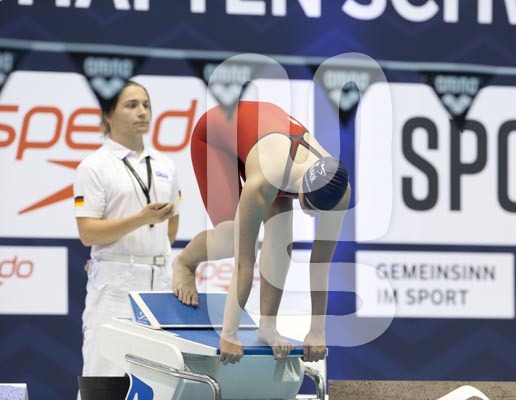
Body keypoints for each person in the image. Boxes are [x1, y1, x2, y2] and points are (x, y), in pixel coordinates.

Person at [172, 101, 350, 365]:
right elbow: (244, 263)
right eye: (309, 206)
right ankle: (184, 263)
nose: (311, 215)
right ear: (301, 188)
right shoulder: (265, 180)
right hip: (215, 138)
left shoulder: (340, 191)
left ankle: (267, 326)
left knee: (282, 240)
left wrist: (317, 331)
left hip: (266, 141)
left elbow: (321, 262)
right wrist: (229, 334)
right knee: (231, 238)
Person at [74, 81, 181, 377]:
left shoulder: (166, 165)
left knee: (160, 377)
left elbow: (172, 224)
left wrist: (151, 250)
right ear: (108, 115)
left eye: (146, 105)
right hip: (115, 284)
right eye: (131, 105)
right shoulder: (94, 166)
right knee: (104, 375)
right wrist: (139, 220)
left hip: (159, 282)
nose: (142, 112)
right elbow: (88, 232)